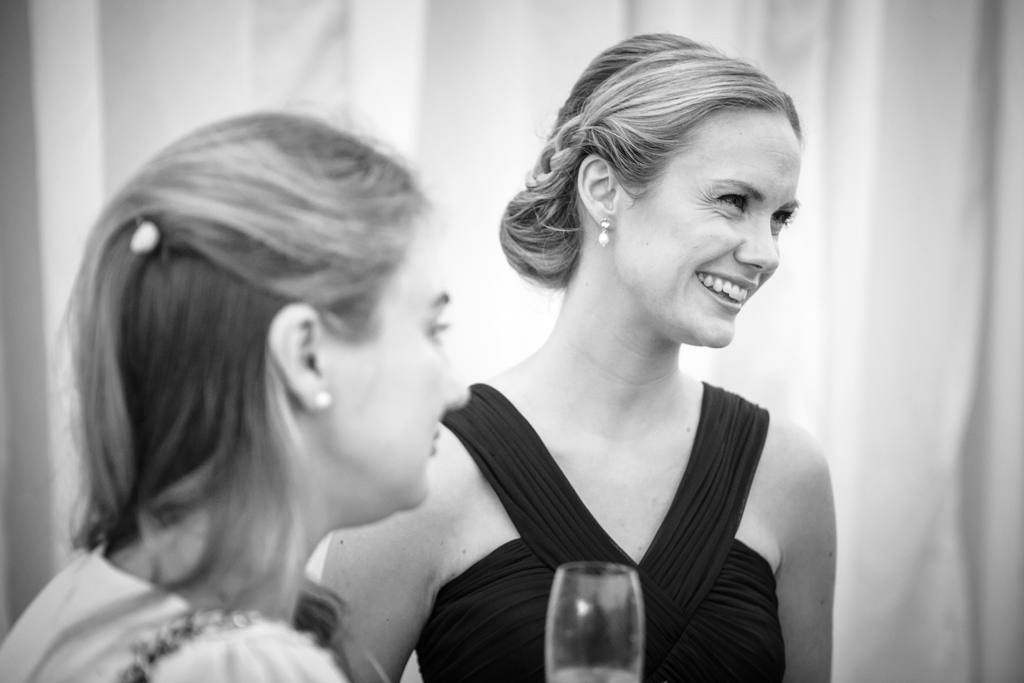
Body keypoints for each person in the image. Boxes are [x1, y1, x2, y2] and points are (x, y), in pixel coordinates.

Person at [320, 32, 836, 683]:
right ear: (603, 188)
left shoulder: (787, 475)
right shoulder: (424, 474)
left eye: (780, 217)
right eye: (734, 202)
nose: (766, 253)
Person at [0, 112, 467, 683]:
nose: (457, 390)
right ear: (306, 357)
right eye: (433, 330)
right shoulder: (247, 669)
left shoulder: (75, 603)